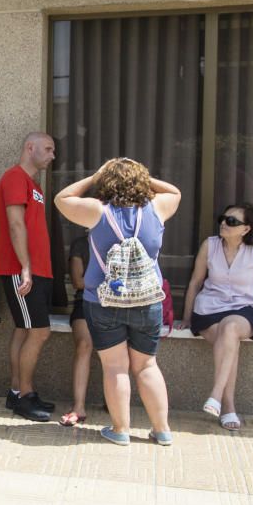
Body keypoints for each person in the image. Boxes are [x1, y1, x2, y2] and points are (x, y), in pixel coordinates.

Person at [54, 157, 181, 446]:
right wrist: (142, 177)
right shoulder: (157, 208)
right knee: (147, 365)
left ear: (106, 183)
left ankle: (120, 430)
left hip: (103, 301)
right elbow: (175, 191)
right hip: (147, 301)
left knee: (115, 367)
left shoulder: (96, 212)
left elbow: (62, 198)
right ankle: (162, 430)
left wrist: (96, 175)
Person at [179, 204, 253, 431]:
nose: (224, 223)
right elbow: (195, 282)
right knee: (228, 343)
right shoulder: (210, 245)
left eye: (232, 221)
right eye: (223, 219)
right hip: (209, 308)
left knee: (231, 329)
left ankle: (217, 394)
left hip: (245, 307)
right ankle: (227, 408)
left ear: (246, 229)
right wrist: (186, 317)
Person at [0, 132, 57, 421]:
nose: (52, 155)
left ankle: (17, 391)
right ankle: (24, 396)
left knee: (24, 329)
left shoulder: (34, 185)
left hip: (37, 269)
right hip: (21, 269)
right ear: (29, 148)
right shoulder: (14, 178)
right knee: (39, 331)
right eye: (47, 149)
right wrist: (26, 267)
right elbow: (15, 224)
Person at [60, 232, 94, 426]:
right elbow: (78, 282)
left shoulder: (121, 240)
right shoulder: (81, 243)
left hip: (115, 304)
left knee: (116, 350)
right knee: (84, 345)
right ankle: (79, 407)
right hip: (86, 302)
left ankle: (113, 402)